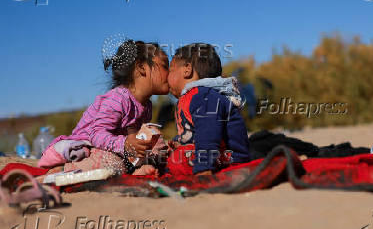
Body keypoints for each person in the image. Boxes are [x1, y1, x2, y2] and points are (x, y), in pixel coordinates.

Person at [38, 40, 169, 176]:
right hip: (89, 148)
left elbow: (134, 137)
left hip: (118, 150)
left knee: (158, 146)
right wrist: (125, 143)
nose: (169, 73)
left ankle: (135, 169)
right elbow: (97, 135)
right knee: (111, 162)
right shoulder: (118, 98)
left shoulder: (147, 105)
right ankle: (65, 170)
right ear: (142, 67)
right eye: (165, 66)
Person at [166, 43, 250, 175]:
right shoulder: (195, 95)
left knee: (176, 161)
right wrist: (180, 141)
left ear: (187, 70)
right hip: (216, 156)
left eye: (170, 70)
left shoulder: (203, 95)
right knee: (171, 156)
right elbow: (195, 131)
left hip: (229, 160)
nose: (166, 76)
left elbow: (209, 132)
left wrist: (204, 168)